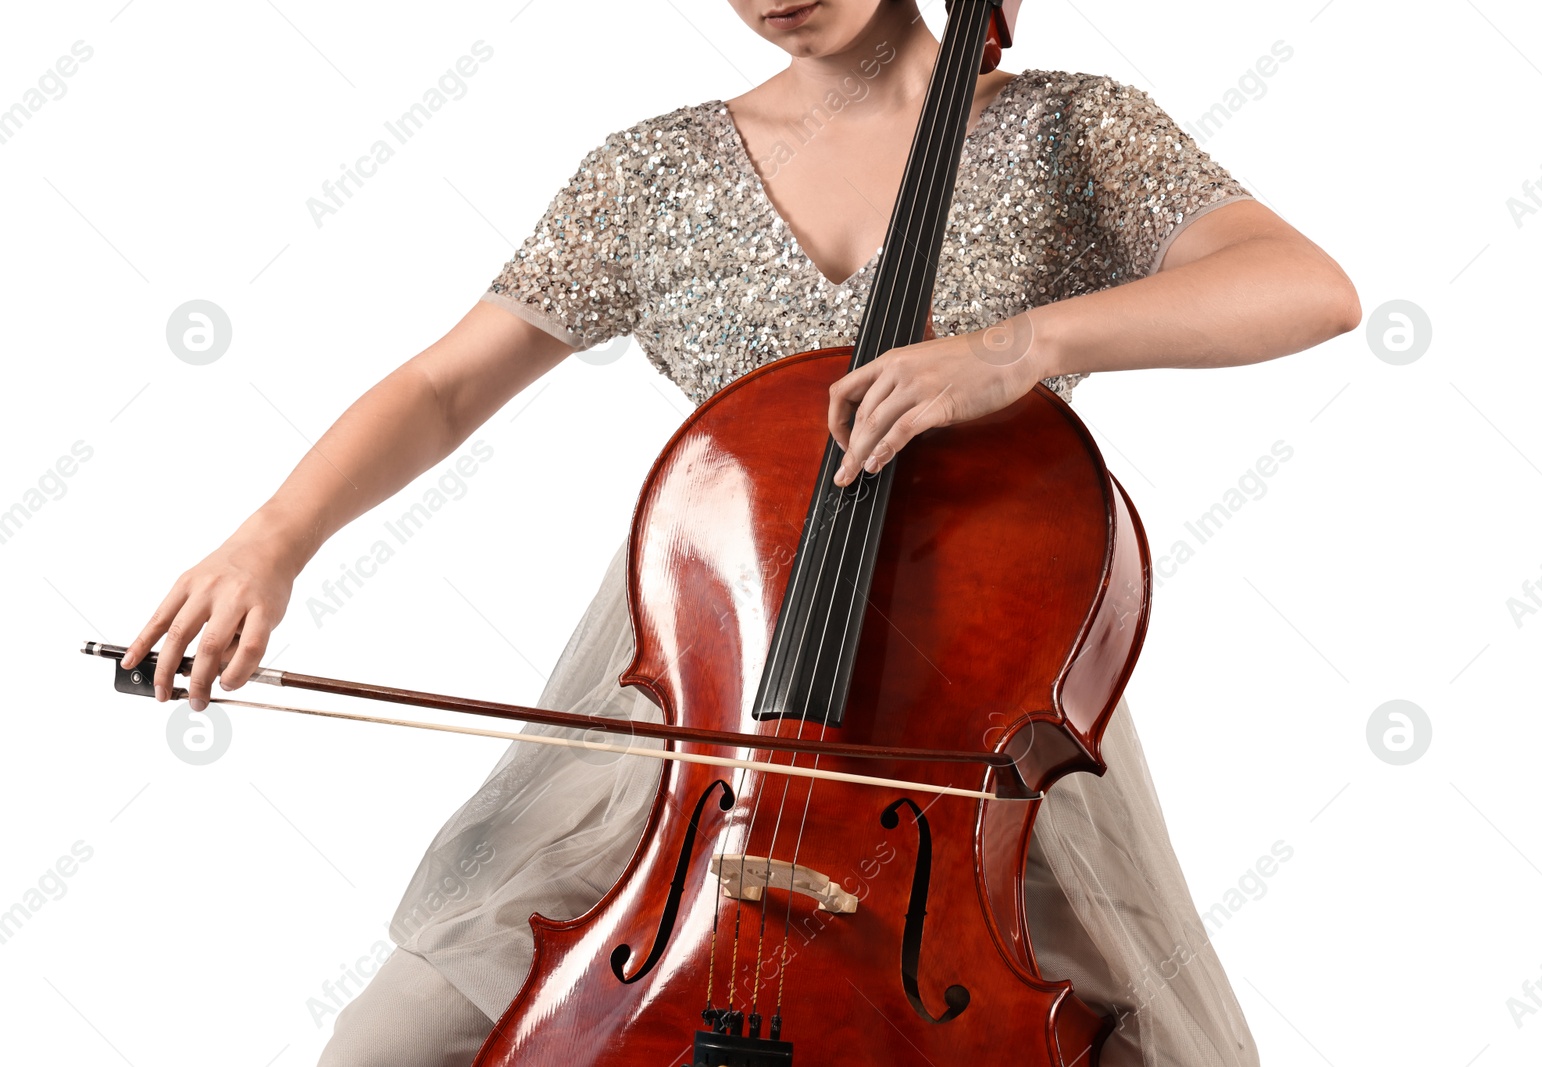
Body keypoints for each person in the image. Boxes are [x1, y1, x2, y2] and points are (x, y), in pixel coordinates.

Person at [118, 1, 1361, 1064]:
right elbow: (445, 387)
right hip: (698, 685)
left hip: (969, 694)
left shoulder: (1067, 129)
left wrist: (1024, 345)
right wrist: (269, 541)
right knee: (391, 1042)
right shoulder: (649, 173)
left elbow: (1305, 285)